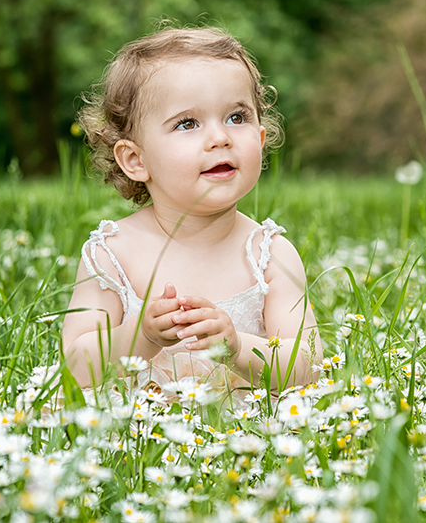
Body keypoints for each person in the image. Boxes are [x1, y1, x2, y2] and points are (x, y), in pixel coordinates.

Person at [62, 26, 321, 399]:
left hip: (243, 433)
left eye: (236, 117)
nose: (220, 137)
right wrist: (140, 336)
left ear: (261, 140)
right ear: (135, 160)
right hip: (138, 437)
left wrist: (236, 346)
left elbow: (307, 366)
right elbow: (73, 366)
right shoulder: (112, 253)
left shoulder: (270, 255)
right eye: (188, 123)